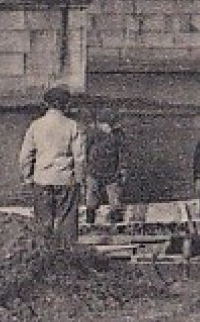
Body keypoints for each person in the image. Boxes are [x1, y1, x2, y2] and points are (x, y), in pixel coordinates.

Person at [18, 85, 86, 246]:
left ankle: (44, 255)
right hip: (65, 179)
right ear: (66, 104)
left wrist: (28, 177)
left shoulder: (36, 125)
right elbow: (80, 158)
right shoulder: (72, 126)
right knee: (67, 223)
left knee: (43, 223)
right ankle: (68, 257)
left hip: (42, 179)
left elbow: (25, 156)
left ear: (46, 104)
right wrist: (79, 180)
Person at [81, 103, 125, 226]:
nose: (108, 128)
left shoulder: (118, 134)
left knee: (115, 200)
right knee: (91, 199)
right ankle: (90, 222)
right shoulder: (92, 133)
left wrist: (122, 169)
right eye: (105, 124)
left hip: (112, 172)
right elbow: (85, 151)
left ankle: (116, 223)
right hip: (94, 171)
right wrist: (85, 168)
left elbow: (122, 153)